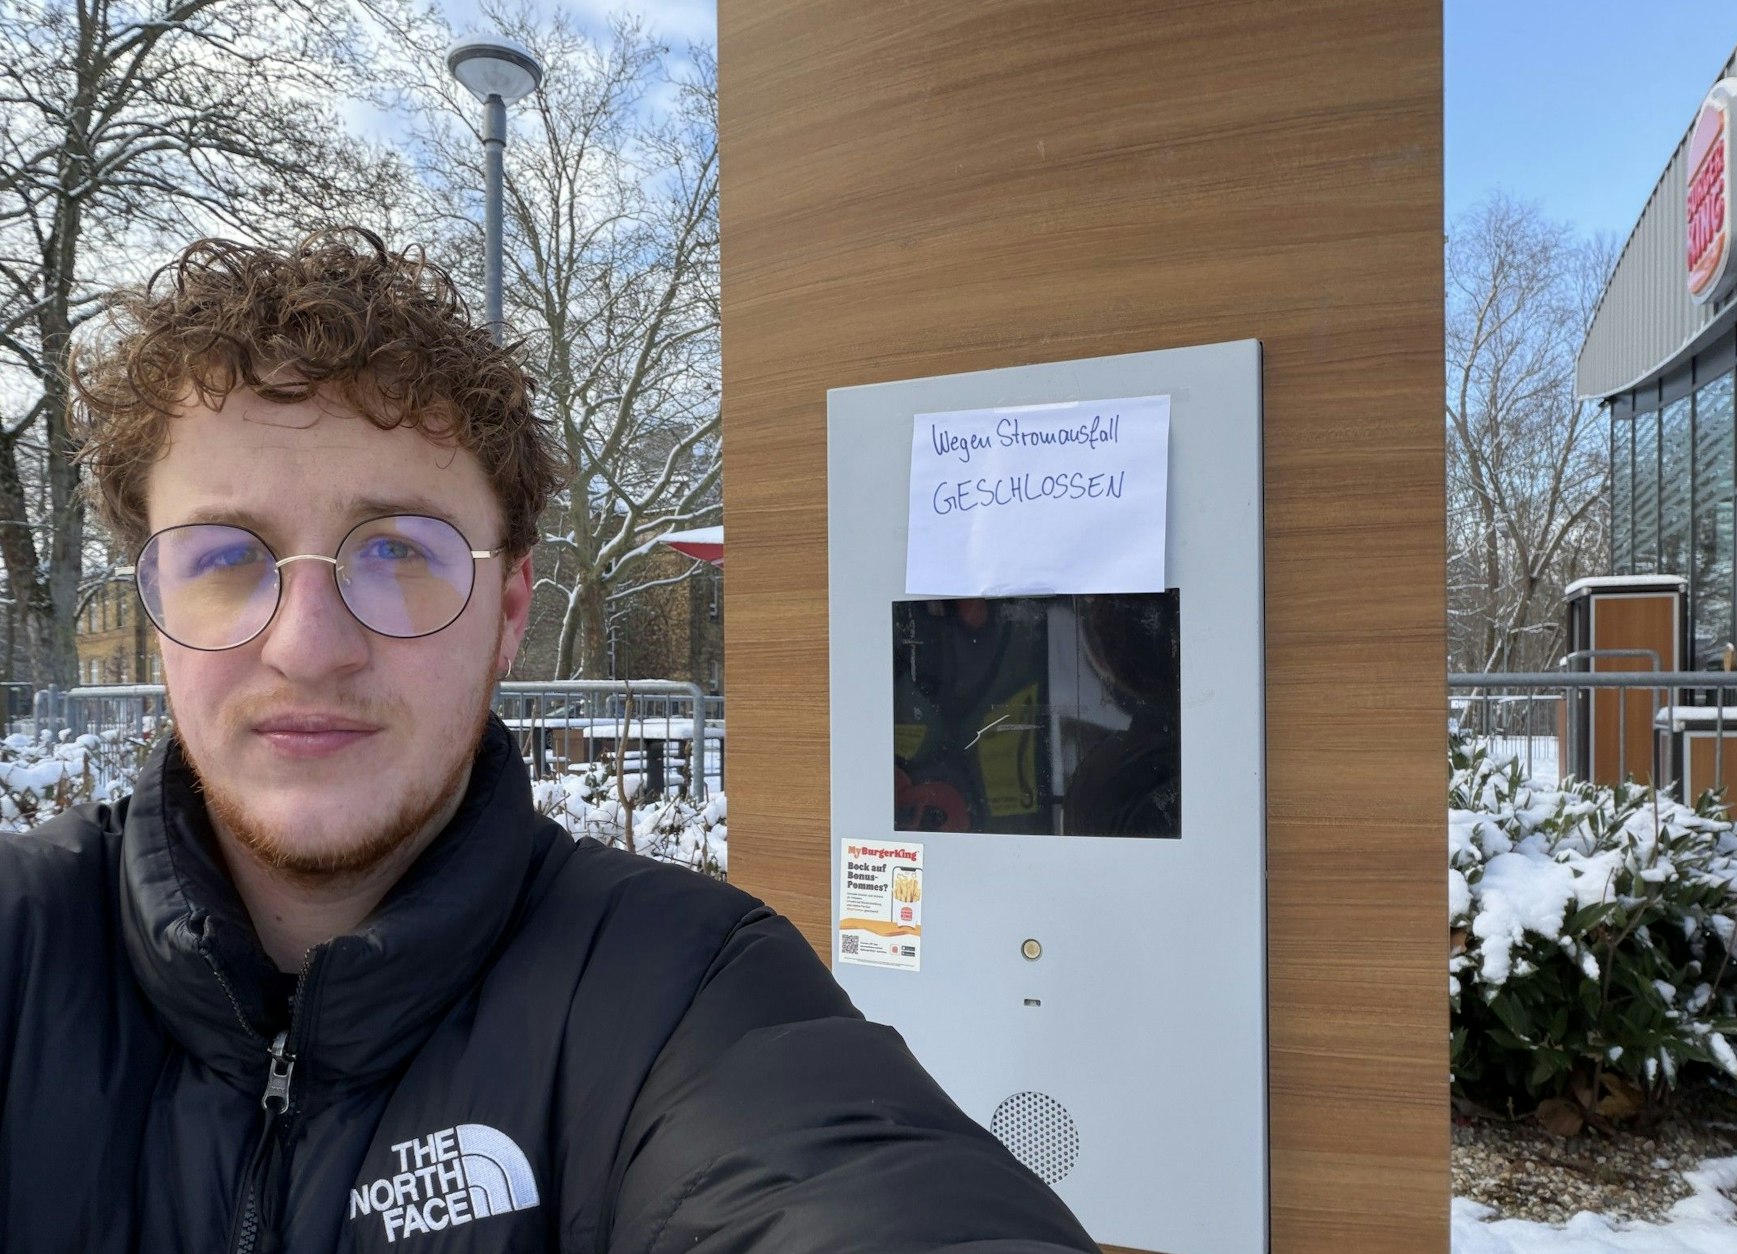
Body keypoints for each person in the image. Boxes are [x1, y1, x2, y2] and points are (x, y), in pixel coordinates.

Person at [0, 229, 1100, 1253]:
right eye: (226, 556)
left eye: (395, 552)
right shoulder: (21, 946)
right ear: (155, 611)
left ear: (511, 610)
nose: (307, 645)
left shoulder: (683, 996)